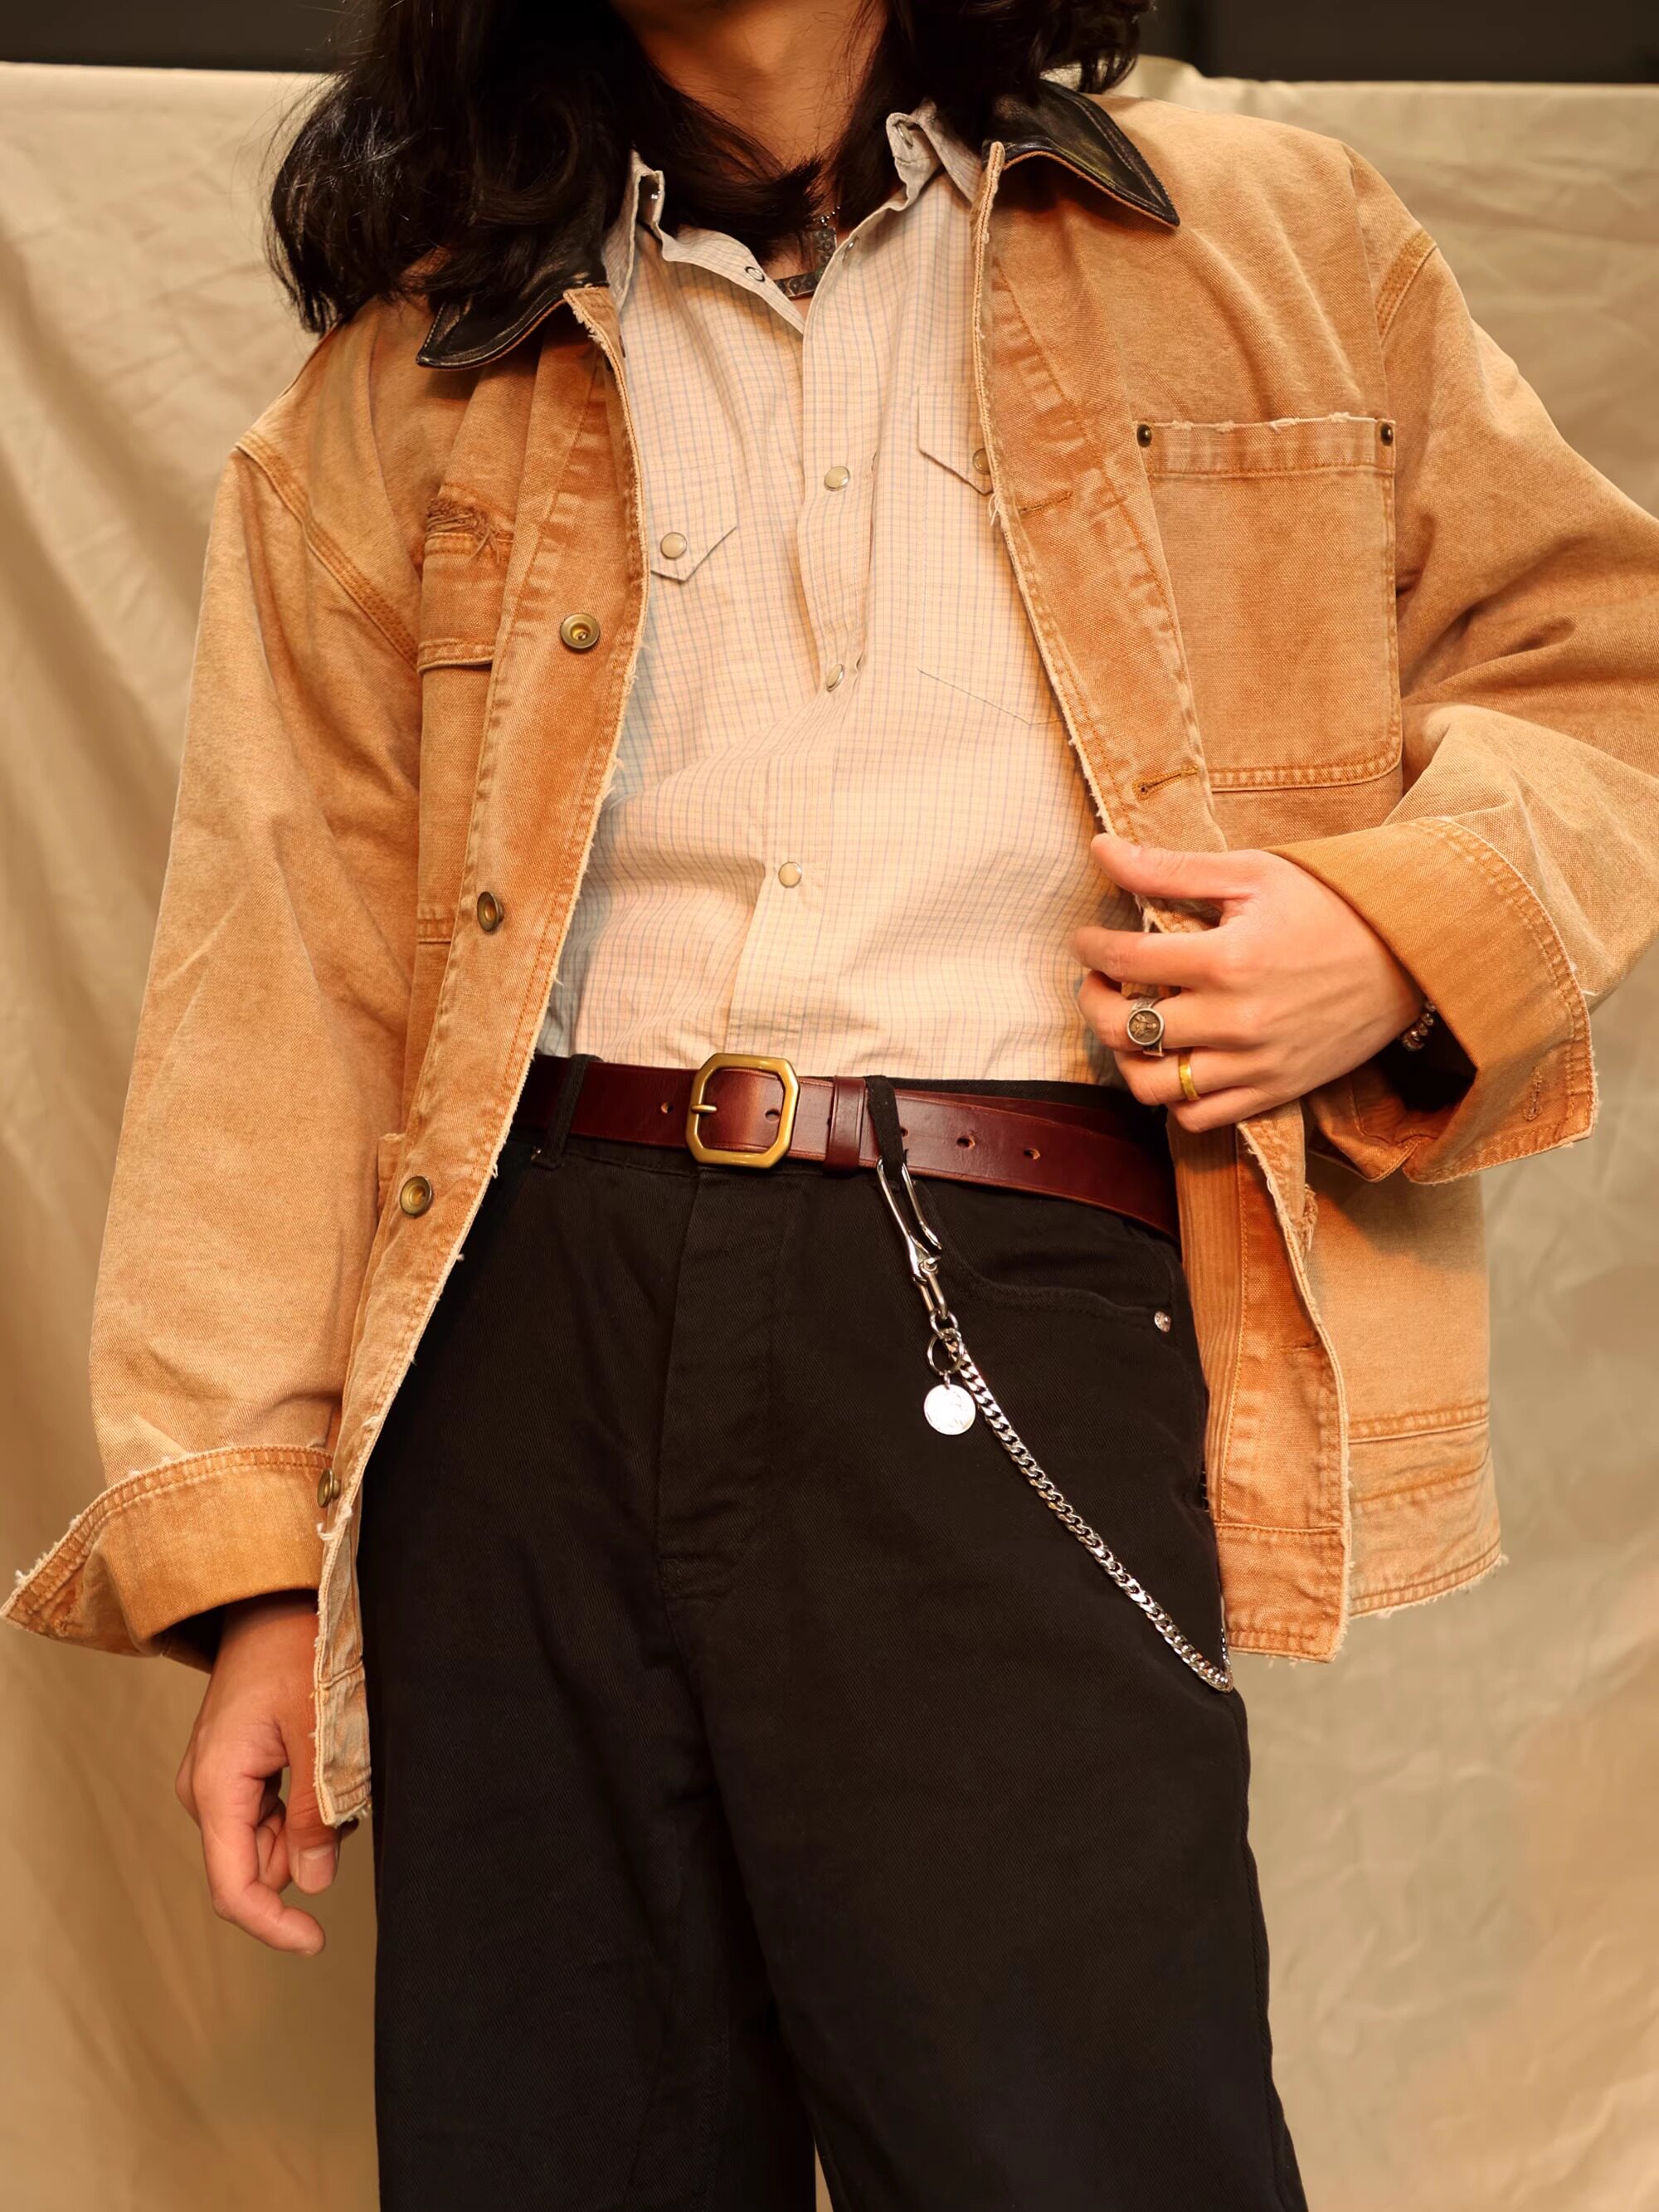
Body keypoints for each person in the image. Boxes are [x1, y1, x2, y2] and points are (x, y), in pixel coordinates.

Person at [7, 0, 1658, 2203]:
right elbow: (278, 981)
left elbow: (1605, 664)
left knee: (1073, 2155)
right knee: (552, 2157)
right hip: (519, 1341)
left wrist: (1394, 933)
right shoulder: (424, 366)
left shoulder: (1268, 241)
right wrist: (255, 1585)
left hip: (1010, 1291)